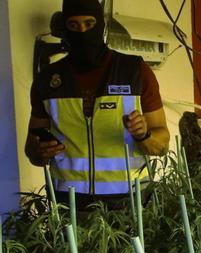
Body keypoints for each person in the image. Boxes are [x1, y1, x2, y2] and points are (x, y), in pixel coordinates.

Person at [24, 0, 170, 209]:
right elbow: (32, 152)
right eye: (74, 26)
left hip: (130, 205)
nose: (82, 32)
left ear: (101, 26)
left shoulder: (135, 72)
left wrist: (143, 135)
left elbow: (163, 146)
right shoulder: (48, 79)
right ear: (65, 28)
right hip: (70, 206)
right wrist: (39, 152)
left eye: (89, 24)